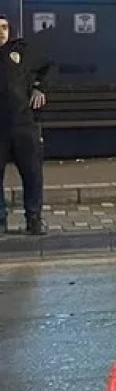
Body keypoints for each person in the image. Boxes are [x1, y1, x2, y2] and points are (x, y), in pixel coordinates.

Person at [0, 14, 51, 235]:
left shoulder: (22, 51)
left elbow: (48, 66)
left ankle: (34, 218)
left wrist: (40, 88)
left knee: (32, 174)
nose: (1, 32)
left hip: (23, 123)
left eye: (4, 27)